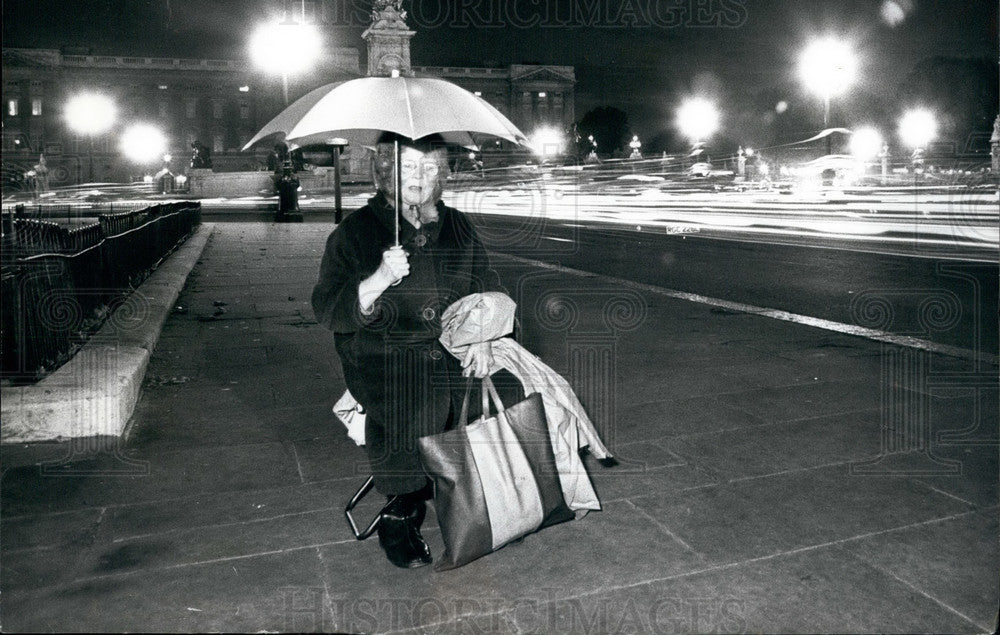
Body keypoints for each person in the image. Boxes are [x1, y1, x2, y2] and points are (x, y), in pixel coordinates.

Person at [311, 134, 517, 569]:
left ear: (441, 175)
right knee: (418, 398)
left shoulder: (458, 224)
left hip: (453, 345)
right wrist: (378, 279)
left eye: (429, 169)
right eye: (408, 167)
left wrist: (483, 336)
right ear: (386, 171)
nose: (419, 178)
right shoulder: (354, 232)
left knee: (485, 389)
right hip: (381, 351)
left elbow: (487, 283)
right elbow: (327, 307)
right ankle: (401, 508)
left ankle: (469, 493)